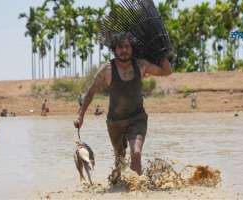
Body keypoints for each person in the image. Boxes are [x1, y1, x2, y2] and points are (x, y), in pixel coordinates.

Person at [73, 32, 172, 183]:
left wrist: (162, 53)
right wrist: (80, 115)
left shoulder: (141, 65)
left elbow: (166, 71)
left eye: (127, 47)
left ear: (132, 49)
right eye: (120, 47)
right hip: (115, 122)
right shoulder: (107, 70)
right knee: (120, 159)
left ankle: (137, 189)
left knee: (136, 152)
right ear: (114, 49)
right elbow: (91, 92)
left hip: (137, 118)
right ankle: (118, 183)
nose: (124, 50)